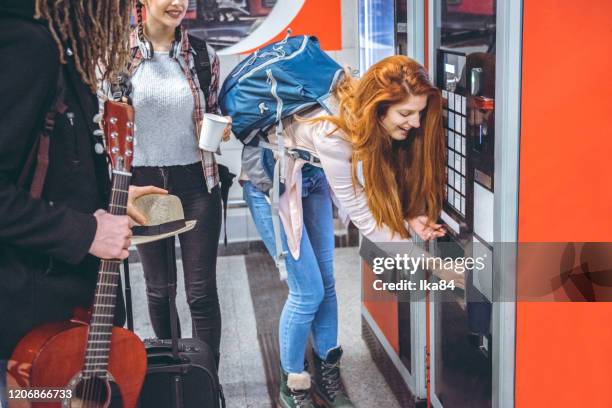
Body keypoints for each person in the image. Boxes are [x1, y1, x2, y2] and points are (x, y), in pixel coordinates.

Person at [242, 55, 446, 407]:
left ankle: (326, 374)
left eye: (418, 113)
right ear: (380, 108)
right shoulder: (335, 134)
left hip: (310, 175)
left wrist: (410, 216)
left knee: (327, 282)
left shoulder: (363, 117)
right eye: (405, 114)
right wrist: (428, 264)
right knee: (307, 291)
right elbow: (365, 218)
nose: (415, 123)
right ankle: (294, 385)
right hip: (270, 185)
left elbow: (373, 181)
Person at [0, 0, 167, 405]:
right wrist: (86, 231)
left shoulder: (53, 42)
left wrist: (111, 198)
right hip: (31, 329)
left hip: (70, 308)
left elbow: (42, 165)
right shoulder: (26, 45)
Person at [127, 0, 232, 369]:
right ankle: (172, 376)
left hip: (196, 183)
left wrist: (222, 128)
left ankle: (205, 381)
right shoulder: (117, 57)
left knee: (201, 294)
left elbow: (214, 113)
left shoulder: (203, 55)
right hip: (143, 184)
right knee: (159, 291)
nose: (177, 3)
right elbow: (104, 124)